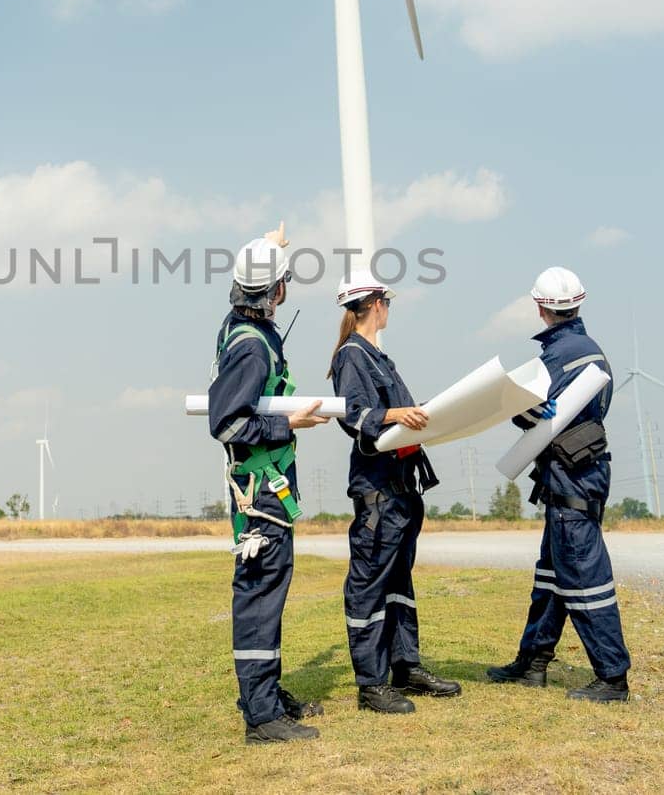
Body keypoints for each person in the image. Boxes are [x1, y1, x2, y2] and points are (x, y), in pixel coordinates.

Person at [208, 224, 330, 744]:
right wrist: (289, 424)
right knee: (259, 596)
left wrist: (269, 247)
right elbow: (226, 423)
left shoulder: (239, 325)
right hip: (261, 492)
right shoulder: (253, 350)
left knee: (270, 595)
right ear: (277, 291)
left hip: (265, 486)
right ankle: (261, 716)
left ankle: (267, 695)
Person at [486, 266, 631, 701]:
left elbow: (528, 413)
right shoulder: (594, 351)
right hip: (581, 472)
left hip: (572, 477)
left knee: (585, 579)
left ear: (539, 307)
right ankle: (533, 663)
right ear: (579, 303)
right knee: (552, 576)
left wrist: (514, 407)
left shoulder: (554, 355)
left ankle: (612, 677)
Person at [328, 273, 462, 714]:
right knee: (368, 586)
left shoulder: (377, 356)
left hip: (402, 488)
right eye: (387, 300)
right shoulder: (353, 357)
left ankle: (406, 665)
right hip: (378, 492)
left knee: (398, 583)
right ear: (375, 305)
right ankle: (371, 684)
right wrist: (396, 413)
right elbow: (353, 416)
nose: (390, 307)